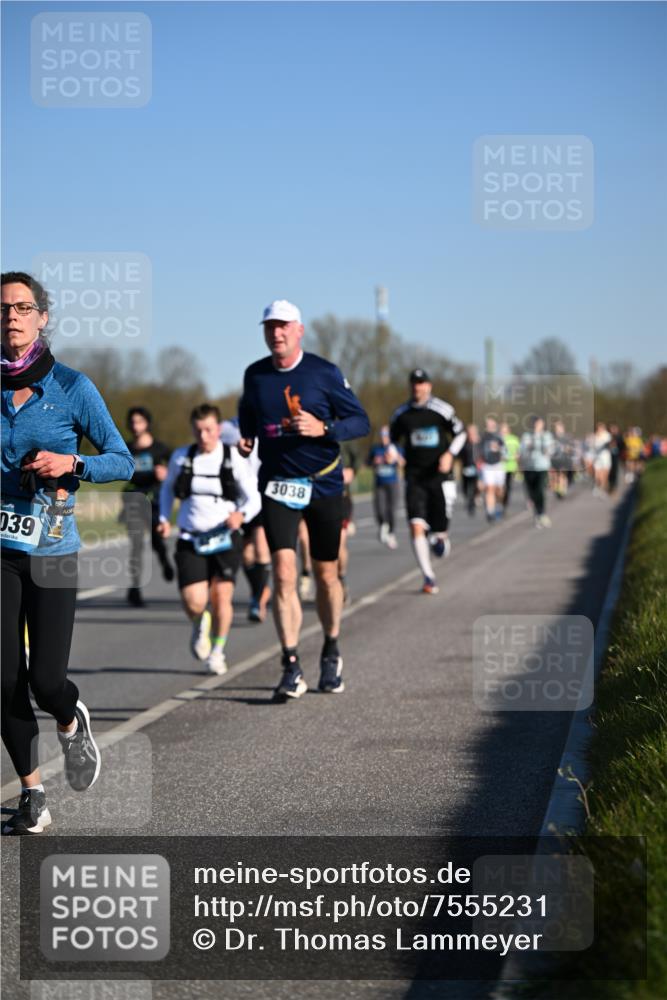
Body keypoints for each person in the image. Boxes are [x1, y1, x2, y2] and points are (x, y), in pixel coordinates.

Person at [1, 271, 134, 835]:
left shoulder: (73, 387)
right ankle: (33, 795)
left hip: (53, 549)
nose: (11, 316)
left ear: (42, 317)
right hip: (1, 552)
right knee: (4, 680)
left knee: (46, 681)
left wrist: (70, 463)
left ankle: (69, 716)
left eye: (22, 307)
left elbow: (122, 459)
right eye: (3, 309)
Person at [238, 299, 370, 699]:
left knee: (326, 574)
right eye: (269, 327)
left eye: (283, 326)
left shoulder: (323, 373)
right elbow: (248, 416)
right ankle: (291, 663)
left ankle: (331, 649)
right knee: (283, 573)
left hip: (323, 484)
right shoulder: (255, 375)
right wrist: (247, 439)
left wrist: (323, 427)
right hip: (278, 485)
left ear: (299, 330)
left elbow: (360, 422)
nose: (276, 333)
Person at [157, 404, 261, 675]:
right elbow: (167, 490)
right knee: (194, 600)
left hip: (225, 537)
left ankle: (217, 652)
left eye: (209, 430)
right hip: (190, 537)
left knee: (221, 597)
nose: (204, 436)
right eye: (198, 430)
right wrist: (164, 518)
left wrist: (241, 515)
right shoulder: (182, 456)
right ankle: (199, 621)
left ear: (219, 429)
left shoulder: (233, 457)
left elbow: (254, 498)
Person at [389, 368, 466, 595]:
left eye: (422, 383)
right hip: (414, 476)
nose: (418, 387)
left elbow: (461, 433)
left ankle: (439, 537)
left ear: (429, 386)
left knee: (438, 532)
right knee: (416, 525)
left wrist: (450, 454)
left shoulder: (441, 410)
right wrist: (395, 453)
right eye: (414, 383)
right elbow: (392, 440)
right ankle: (428, 576)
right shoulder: (401, 414)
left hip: (439, 476)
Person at [122, 406, 174, 607]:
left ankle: (164, 560)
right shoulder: (126, 448)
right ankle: (135, 588)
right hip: (134, 501)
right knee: (136, 545)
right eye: (132, 422)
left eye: (140, 422)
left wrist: (166, 473)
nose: (136, 426)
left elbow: (177, 469)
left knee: (157, 541)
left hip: (155, 501)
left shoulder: (160, 448)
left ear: (147, 423)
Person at [367, 425, 404, 547]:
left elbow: (403, 462)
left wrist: (394, 458)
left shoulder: (395, 447)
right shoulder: (376, 449)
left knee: (391, 509)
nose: (384, 438)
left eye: (386, 435)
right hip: (379, 483)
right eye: (382, 435)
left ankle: (391, 533)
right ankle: (383, 525)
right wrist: (375, 461)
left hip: (392, 482)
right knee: (379, 509)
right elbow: (367, 462)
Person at [519, 416, 554, 528]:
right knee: (531, 493)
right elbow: (522, 451)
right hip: (529, 467)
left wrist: (547, 449)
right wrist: (527, 449)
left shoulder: (547, 436)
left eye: (539, 424)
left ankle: (542, 513)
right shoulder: (526, 436)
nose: (537, 426)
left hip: (542, 466)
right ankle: (537, 514)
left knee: (540, 490)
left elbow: (551, 450)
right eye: (535, 423)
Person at [338, 445, 358, 605]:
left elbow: (358, 456)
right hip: (313, 496)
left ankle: (341, 578)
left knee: (339, 542)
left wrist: (353, 470)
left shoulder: (344, 437)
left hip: (341, 497)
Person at [479, 417, 506, 522]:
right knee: (490, 488)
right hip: (487, 466)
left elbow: (505, 451)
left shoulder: (499, 437)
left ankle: (499, 505)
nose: (489, 426)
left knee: (499, 490)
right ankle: (490, 511)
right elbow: (478, 452)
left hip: (498, 465)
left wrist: (498, 448)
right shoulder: (483, 437)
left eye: (491, 423)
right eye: (488, 424)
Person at [460, 423, 481, 516]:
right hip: (466, 468)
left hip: (476, 468)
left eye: (473, 432)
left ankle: (471, 505)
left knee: (473, 487)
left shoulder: (479, 443)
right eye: (470, 432)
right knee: (465, 487)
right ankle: (468, 499)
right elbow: (459, 454)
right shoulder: (464, 442)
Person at [500, 422, 520, 512]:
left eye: (504, 430)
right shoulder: (498, 438)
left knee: (507, 486)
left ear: (508, 430)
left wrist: (518, 463)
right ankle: (500, 501)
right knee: (500, 487)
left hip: (510, 467)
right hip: (499, 467)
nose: (503, 432)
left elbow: (519, 452)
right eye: (501, 430)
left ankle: (504, 503)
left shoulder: (514, 439)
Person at [592, 421, 612, 496]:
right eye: (598, 427)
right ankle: (598, 487)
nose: (600, 429)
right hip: (597, 457)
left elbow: (607, 444)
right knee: (597, 473)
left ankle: (603, 488)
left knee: (604, 473)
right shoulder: (595, 435)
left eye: (601, 427)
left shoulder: (607, 435)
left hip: (605, 456)